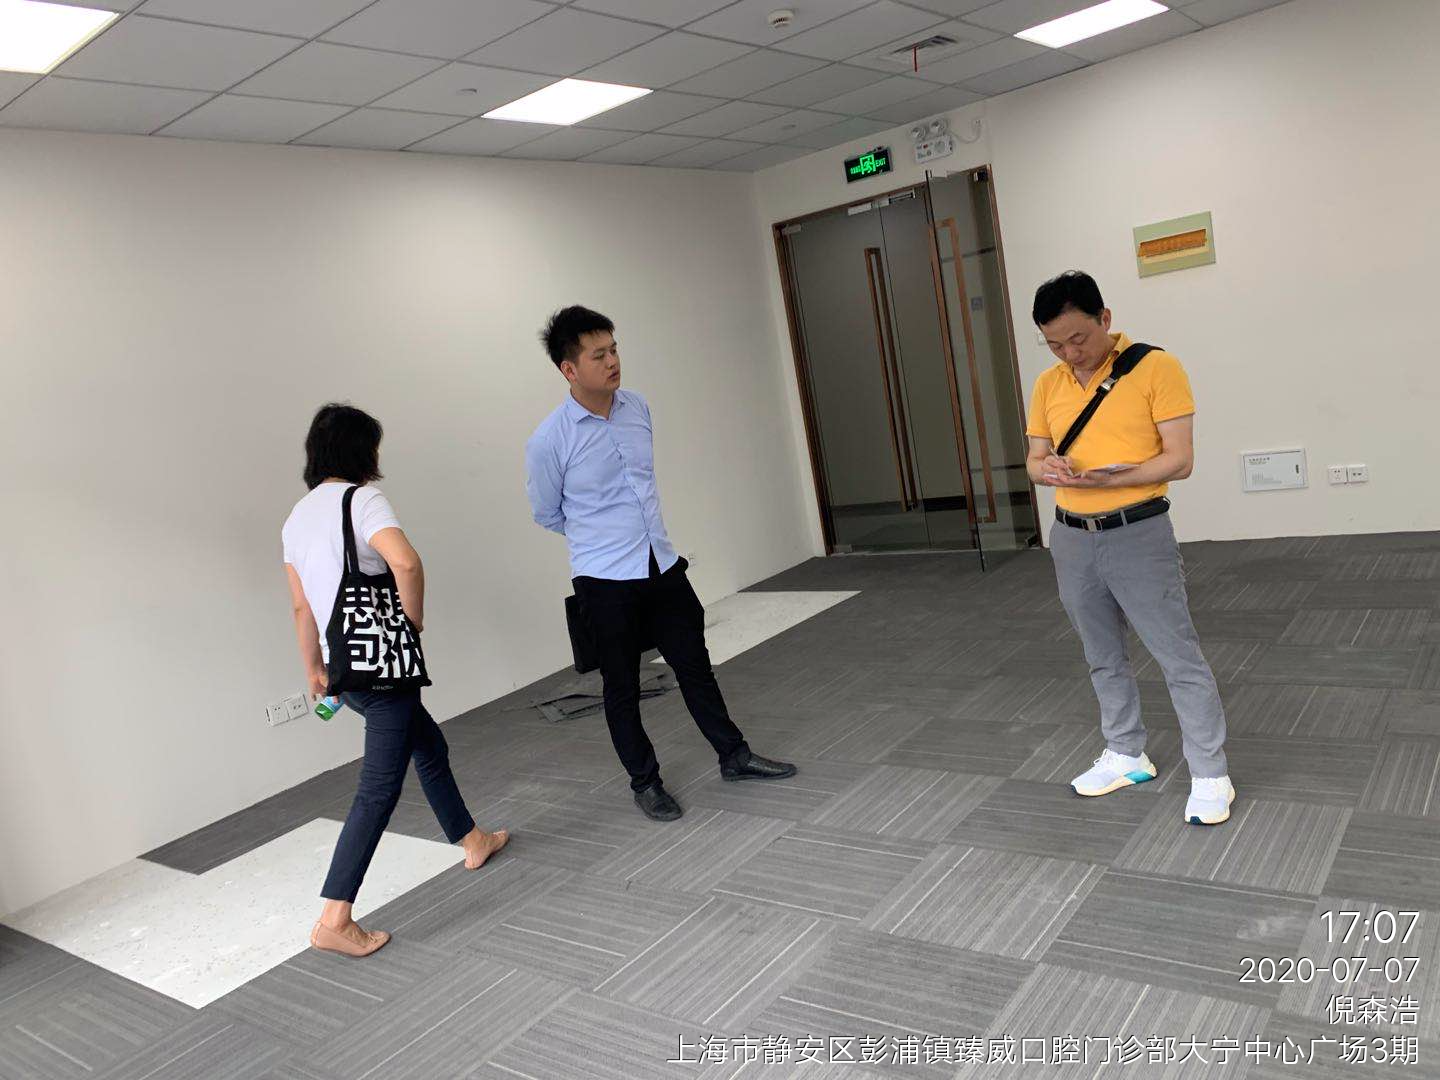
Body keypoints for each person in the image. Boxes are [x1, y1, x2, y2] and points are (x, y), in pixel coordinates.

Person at [525, 307, 797, 821]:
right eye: (598, 355)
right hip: (604, 579)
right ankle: (645, 782)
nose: (613, 361)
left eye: (614, 349)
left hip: (662, 564)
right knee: (622, 687)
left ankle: (734, 756)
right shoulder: (549, 440)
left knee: (695, 665)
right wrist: (601, 538)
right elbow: (547, 512)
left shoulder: (637, 407)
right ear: (569, 369)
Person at [282, 404, 508, 957]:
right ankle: (335, 918)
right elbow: (405, 563)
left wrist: (314, 669)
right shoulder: (363, 500)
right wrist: (413, 620)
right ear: (361, 451)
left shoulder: (295, 520)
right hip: (384, 667)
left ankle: (473, 839)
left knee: (428, 745)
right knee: (379, 789)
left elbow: (302, 607)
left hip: (346, 668)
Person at [1025, 272, 1235, 826]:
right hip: (1071, 537)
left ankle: (1210, 772)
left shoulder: (1156, 368)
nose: (1070, 354)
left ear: (1105, 319)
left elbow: (1180, 459)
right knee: (1101, 654)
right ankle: (1125, 752)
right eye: (1055, 345)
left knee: (1177, 655)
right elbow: (1034, 459)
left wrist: (1113, 478)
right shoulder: (1048, 383)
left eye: (1078, 339)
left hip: (1138, 533)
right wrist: (1047, 469)